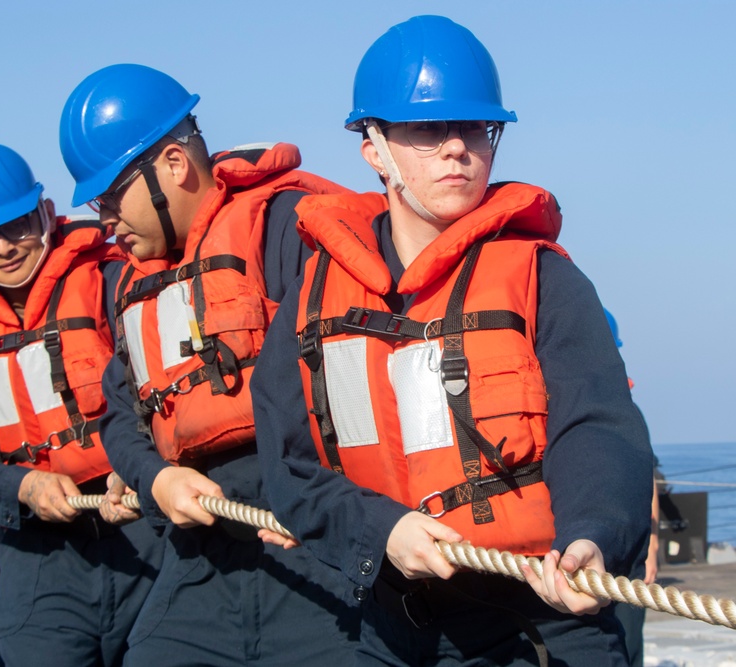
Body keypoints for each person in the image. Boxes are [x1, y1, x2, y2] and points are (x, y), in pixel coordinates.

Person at [250, 16, 655, 666]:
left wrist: (594, 534)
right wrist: (383, 530)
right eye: (428, 130)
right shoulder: (311, 301)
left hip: (537, 615)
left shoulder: (543, 277)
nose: (457, 148)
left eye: (476, 129)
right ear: (373, 147)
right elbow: (289, 466)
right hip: (390, 623)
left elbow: (599, 426)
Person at [59, 63, 360, 665]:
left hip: (314, 541)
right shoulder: (130, 285)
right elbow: (121, 414)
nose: (104, 222)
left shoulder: (285, 226)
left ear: (173, 165)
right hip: (201, 551)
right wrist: (154, 476)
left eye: (111, 198)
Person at [0, 141, 161, 666]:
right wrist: (22, 485)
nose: (3, 247)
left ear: (47, 213)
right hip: (39, 564)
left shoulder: (116, 282)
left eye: (18, 226)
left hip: (146, 535)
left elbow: (165, 394)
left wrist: (138, 463)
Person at [605, 307, 659, 667]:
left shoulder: (626, 411)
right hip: (584, 552)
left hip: (626, 555)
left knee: (626, 646)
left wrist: (651, 549)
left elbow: (646, 479)